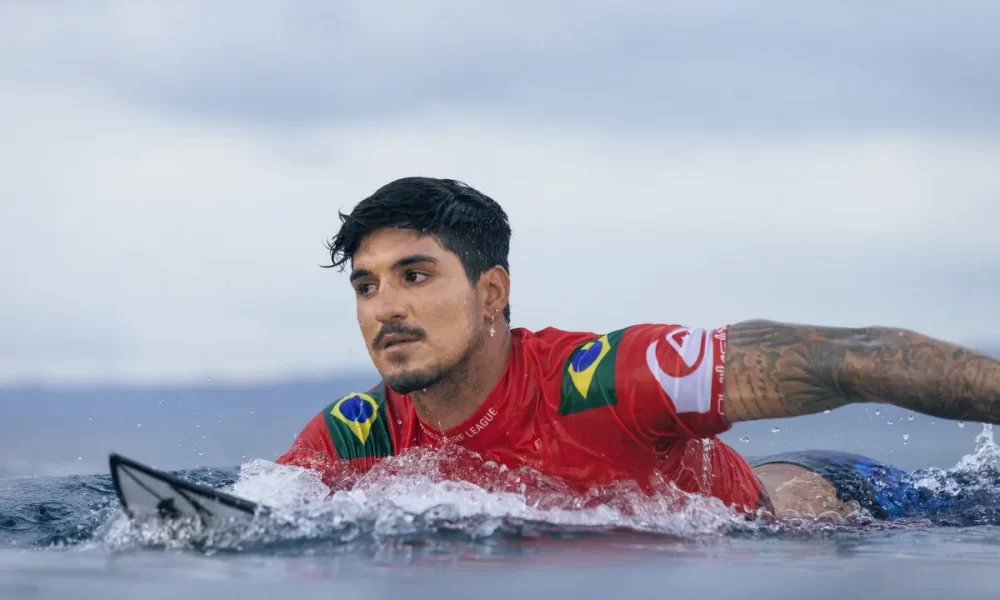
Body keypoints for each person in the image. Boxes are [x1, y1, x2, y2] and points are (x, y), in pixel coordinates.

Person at [277, 177, 1000, 519]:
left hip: (850, 509)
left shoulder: (605, 381)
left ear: (491, 292)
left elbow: (850, 358)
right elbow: (243, 520)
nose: (386, 308)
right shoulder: (355, 434)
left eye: (415, 275)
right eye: (365, 287)